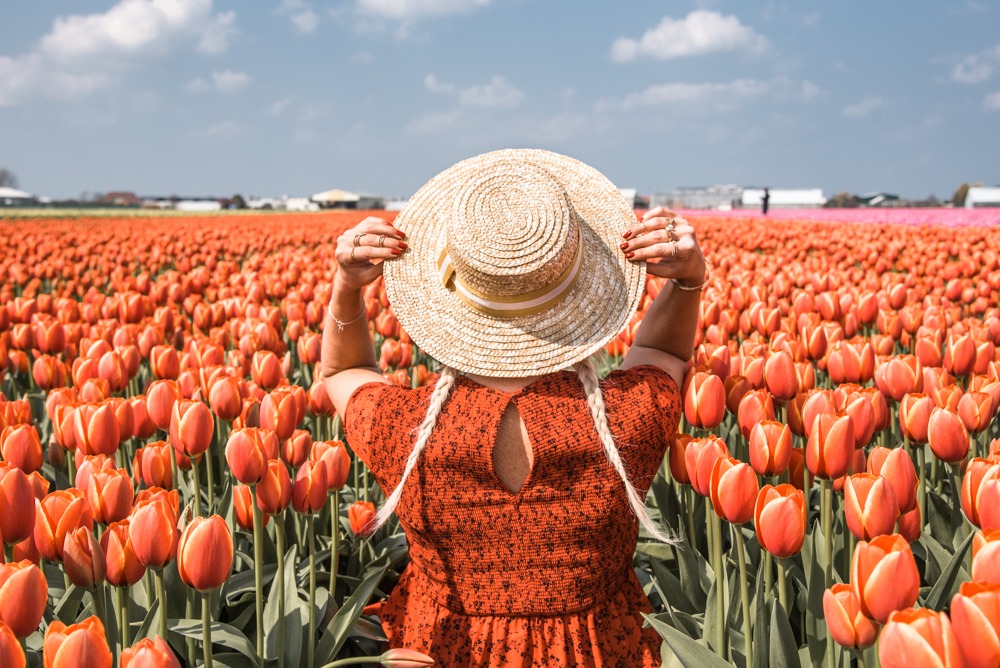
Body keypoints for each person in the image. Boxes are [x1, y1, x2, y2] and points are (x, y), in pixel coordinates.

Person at [321, 149, 707, 666]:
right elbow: (665, 354)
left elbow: (341, 373)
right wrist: (688, 281)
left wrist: (347, 287)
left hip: (440, 650)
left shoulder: (403, 428)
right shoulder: (628, 420)